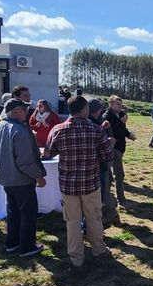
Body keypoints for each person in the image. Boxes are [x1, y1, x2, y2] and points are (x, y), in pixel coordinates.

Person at [47, 96, 115, 268]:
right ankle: (99, 250)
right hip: (90, 184)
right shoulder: (96, 130)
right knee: (94, 218)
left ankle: (76, 257)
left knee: (72, 221)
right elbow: (108, 155)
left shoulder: (57, 130)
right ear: (85, 109)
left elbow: (48, 153)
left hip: (68, 185)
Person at [0, 99, 47, 257]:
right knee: (28, 212)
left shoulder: (0, 126)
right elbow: (25, 161)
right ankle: (27, 247)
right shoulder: (20, 131)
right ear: (15, 112)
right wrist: (39, 176)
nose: (27, 112)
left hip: (7, 178)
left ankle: (12, 242)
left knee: (13, 212)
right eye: (24, 109)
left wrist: (4, 163)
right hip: (22, 180)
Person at [88, 99, 118, 224]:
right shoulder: (90, 123)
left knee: (104, 188)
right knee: (102, 190)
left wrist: (108, 129)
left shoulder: (100, 121)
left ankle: (110, 214)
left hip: (101, 163)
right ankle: (109, 214)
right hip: (96, 164)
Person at [101, 95, 135, 206]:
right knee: (119, 174)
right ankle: (120, 200)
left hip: (120, 147)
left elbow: (122, 129)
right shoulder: (107, 116)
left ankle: (110, 199)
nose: (120, 106)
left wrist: (128, 134)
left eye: (120, 104)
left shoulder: (120, 114)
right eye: (117, 104)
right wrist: (122, 122)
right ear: (110, 104)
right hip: (113, 148)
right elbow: (112, 131)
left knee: (113, 175)